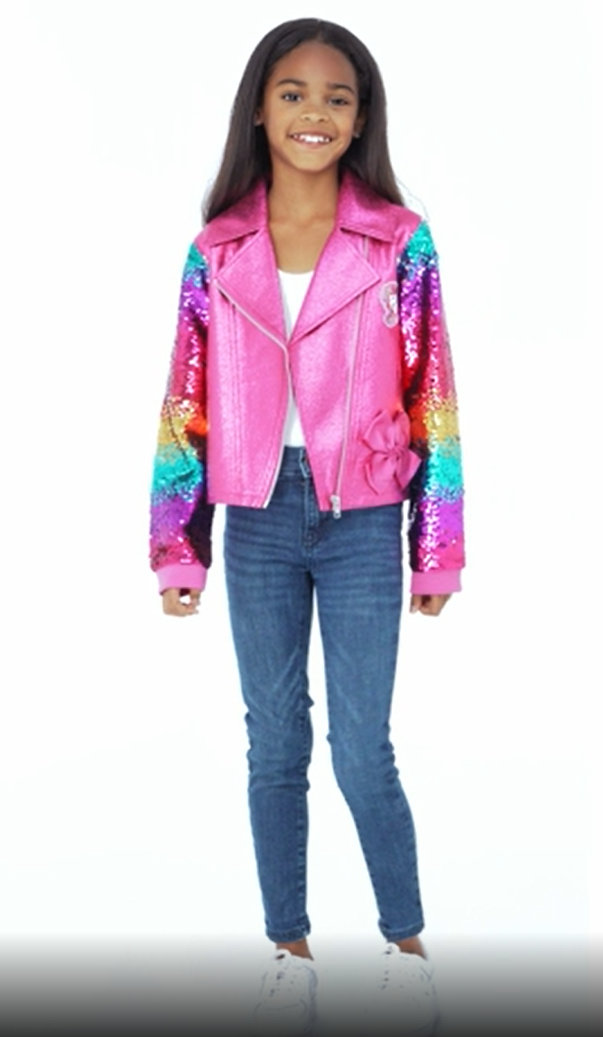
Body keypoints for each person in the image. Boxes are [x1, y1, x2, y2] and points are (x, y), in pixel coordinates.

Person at [150, 17, 464, 1034]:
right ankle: (287, 951)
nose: (314, 113)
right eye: (293, 93)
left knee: (362, 745)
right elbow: (185, 400)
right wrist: (178, 542)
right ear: (259, 108)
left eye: (337, 96)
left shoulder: (398, 241)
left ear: (361, 117)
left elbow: (433, 395)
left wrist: (436, 545)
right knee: (275, 741)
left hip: (364, 517)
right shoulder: (218, 248)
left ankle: (405, 947)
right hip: (257, 519)